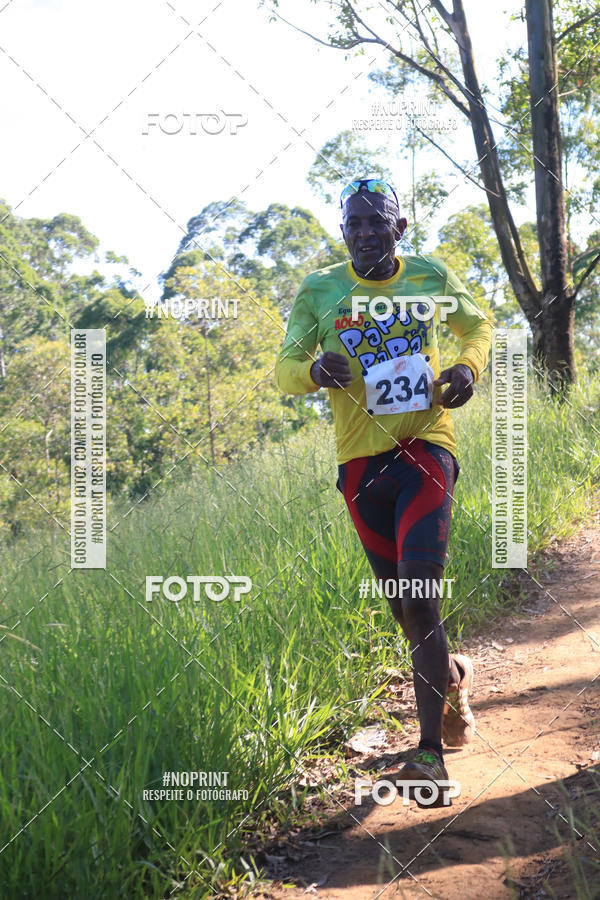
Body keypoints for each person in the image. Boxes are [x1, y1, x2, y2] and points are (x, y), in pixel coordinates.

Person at [274, 178, 492, 804]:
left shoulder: (427, 276)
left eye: (377, 222)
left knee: (420, 598)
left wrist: (465, 368)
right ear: (343, 232)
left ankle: (428, 756)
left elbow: (478, 328)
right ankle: (452, 677)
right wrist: (314, 371)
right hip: (359, 466)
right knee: (403, 608)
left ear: (399, 227)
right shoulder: (320, 290)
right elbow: (284, 368)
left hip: (426, 449)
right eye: (354, 224)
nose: (365, 232)